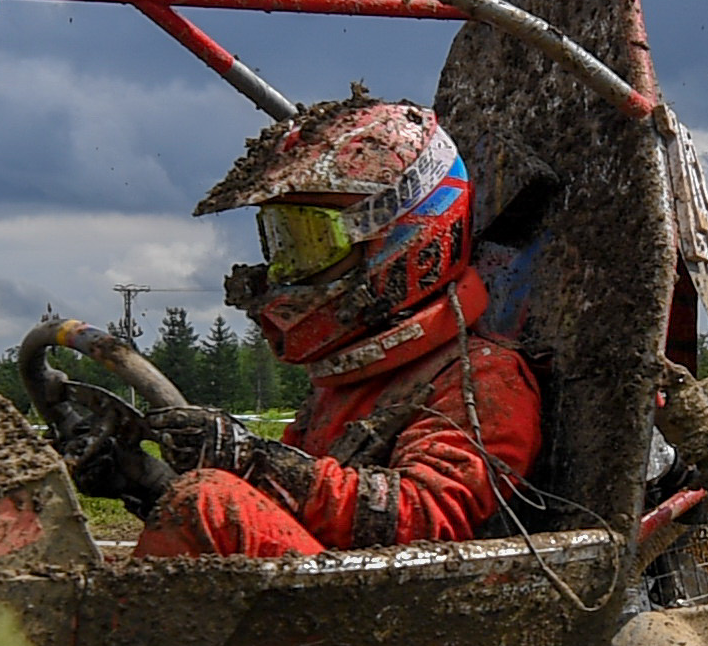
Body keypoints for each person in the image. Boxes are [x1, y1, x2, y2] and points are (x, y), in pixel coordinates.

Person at [120, 95, 542, 559]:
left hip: (418, 611)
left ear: (404, 233)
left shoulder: (484, 376)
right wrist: (141, 480)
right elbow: (276, 515)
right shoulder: (345, 383)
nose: (289, 269)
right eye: (283, 242)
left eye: (311, 242)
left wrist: (252, 461)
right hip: (342, 596)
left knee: (212, 505)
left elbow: (427, 517)